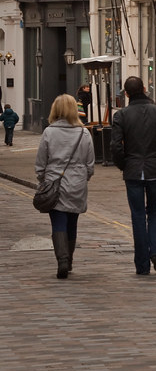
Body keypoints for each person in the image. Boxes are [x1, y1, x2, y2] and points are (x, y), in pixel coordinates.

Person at [111, 76, 156, 275]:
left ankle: (142, 265)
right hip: (154, 170)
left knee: (138, 216)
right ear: (144, 89)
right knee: (155, 211)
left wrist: (123, 165)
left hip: (132, 171)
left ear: (126, 93)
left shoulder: (121, 116)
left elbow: (115, 146)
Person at [35, 94, 94, 279]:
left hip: (55, 182)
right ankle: (68, 261)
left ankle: (61, 260)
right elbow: (90, 163)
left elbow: (40, 162)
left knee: (58, 222)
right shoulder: (84, 133)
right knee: (72, 222)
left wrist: (43, 179)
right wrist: (84, 177)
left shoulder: (49, 132)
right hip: (77, 183)